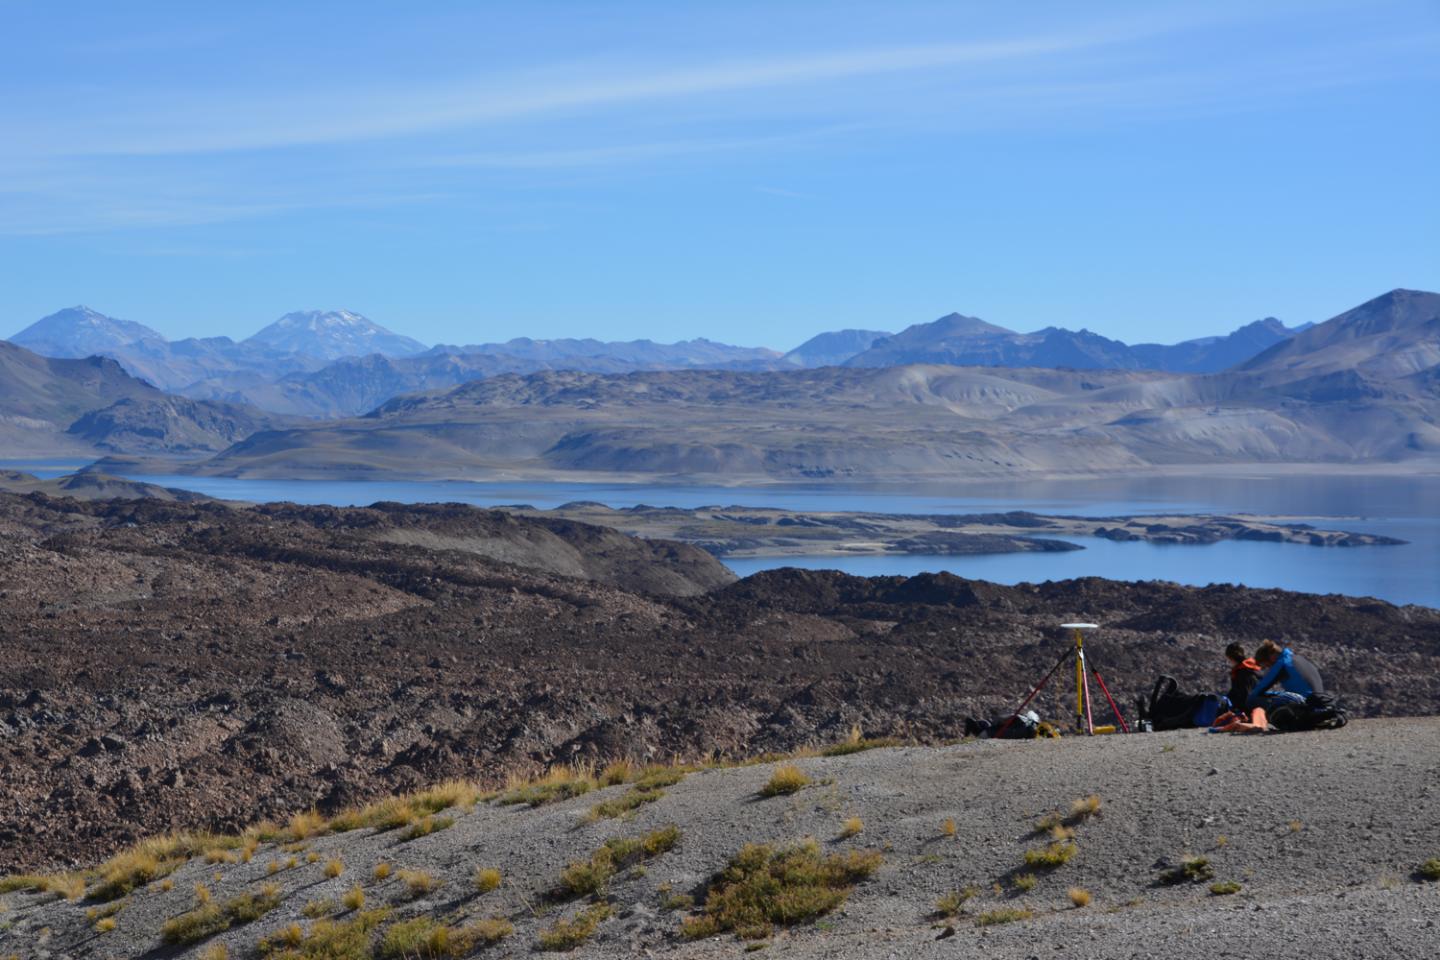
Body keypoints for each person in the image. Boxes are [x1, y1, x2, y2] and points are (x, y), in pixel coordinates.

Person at [1247, 639, 1324, 713]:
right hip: (1318, 702)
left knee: (1253, 700)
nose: (1269, 667)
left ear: (1271, 656)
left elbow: (1260, 689)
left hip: (1305, 704)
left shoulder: (1282, 664)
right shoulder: (1297, 658)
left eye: (1267, 664)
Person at [1224, 642, 1263, 709]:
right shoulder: (1249, 668)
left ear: (1231, 658)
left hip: (1246, 710)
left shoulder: (1242, 672)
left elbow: (1244, 695)